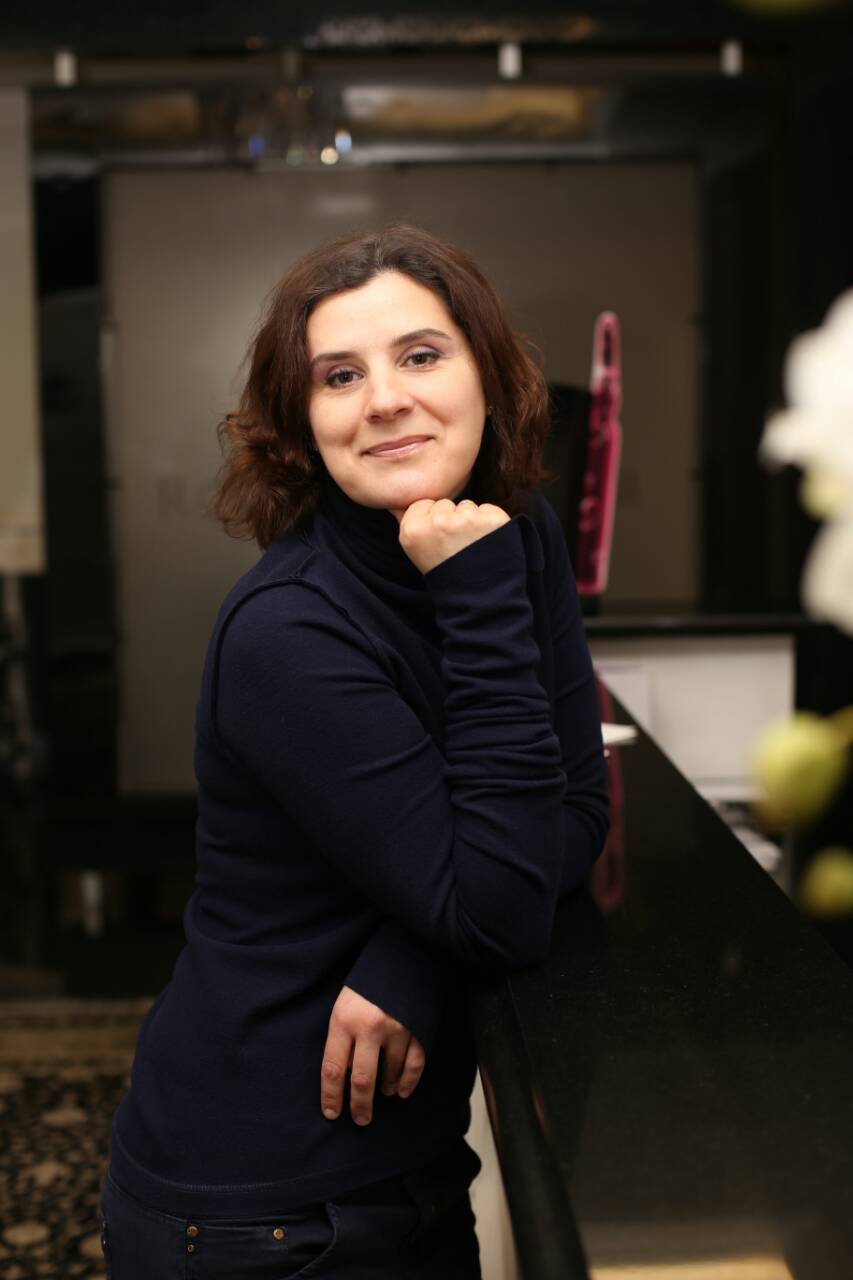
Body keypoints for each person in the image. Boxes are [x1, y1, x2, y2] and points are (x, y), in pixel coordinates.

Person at [97, 222, 610, 1278]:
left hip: (405, 1166)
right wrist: (475, 594)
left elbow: (574, 803)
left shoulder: (515, 534)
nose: (383, 399)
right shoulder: (287, 630)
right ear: (302, 423)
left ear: (488, 375)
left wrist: (414, 954)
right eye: (339, 375)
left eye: (420, 355)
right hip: (260, 1201)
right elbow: (499, 903)